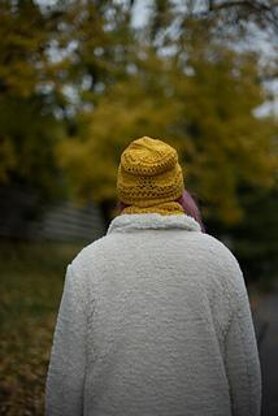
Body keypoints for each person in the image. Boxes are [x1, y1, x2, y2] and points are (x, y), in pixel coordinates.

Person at [45, 136, 261, 416]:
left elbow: (65, 382)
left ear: (122, 193)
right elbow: (244, 376)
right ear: (178, 188)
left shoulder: (88, 264)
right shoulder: (219, 260)